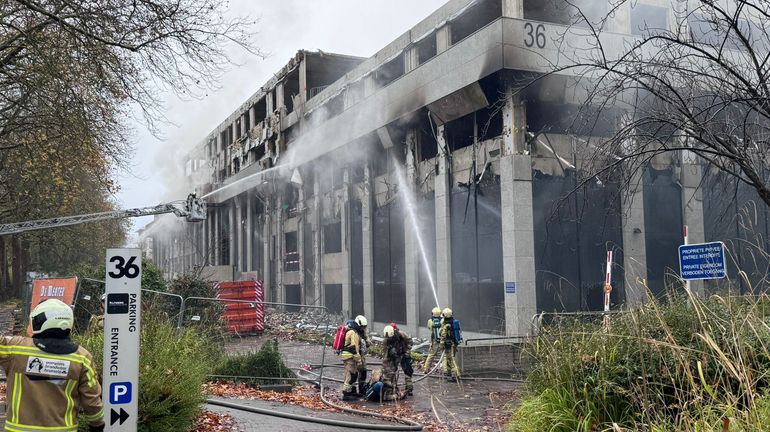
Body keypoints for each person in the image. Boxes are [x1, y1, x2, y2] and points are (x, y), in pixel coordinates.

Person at [0, 298, 104, 431]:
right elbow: (92, 402)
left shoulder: (16, 348)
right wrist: (97, 425)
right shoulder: (82, 358)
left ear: (38, 321)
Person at [387, 322, 414, 396]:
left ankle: (409, 389)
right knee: (392, 371)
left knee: (408, 371)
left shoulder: (402, 334)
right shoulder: (388, 335)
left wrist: (407, 352)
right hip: (395, 355)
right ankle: (392, 388)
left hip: (404, 354)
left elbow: (410, 342)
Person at [339, 319, 362, 401]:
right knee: (350, 375)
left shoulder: (348, 331)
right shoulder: (354, 333)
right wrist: (359, 360)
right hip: (350, 357)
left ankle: (351, 391)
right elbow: (354, 347)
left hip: (346, 356)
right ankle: (346, 394)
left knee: (352, 374)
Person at [439, 307, 461, 381]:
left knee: (451, 359)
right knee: (450, 358)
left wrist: (441, 345)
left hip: (449, 344)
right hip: (454, 343)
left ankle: (455, 375)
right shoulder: (454, 322)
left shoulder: (446, 325)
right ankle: (449, 374)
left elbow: (443, 335)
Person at [353, 315, 371, 396]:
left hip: (361, 354)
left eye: (365, 327)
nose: (364, 328)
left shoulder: (362, 332)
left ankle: (361, 389)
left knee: (363, 372)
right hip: (354, 355)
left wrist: (367, 341)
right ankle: (352, 391)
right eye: (362, 326)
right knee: (353, 374)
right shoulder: (353, 331)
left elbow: (367, 342)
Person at [422, 307, 443, 372]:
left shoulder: (430, 321)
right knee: (444, 354)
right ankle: (445, 369)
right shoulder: (443, 320)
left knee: (431, 354)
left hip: (434, 339)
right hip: (442, 338)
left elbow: (429, 328)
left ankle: (426, 369)